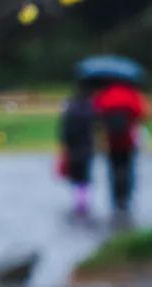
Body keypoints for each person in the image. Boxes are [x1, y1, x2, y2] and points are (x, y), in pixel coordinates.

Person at [93, 79, 148, 214]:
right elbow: (142, 114)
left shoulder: (105, 95)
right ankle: (126, 197)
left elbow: (96, 114)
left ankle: (115, 197)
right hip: (128, 139)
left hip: (111, 140)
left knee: (113, 168)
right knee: (128, 168)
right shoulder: (131, 95)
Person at [57, 85, 96, 216]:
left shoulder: (70, 110)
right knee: (85, 174)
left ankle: (77, 200)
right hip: (86, 146)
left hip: (73, 146)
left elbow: (64, 130)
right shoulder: (90, 110)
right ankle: (83, 200)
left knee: (75, 174)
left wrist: (64, 143)